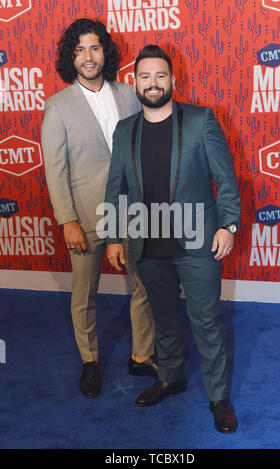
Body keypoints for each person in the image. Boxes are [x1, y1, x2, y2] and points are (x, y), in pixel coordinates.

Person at [105, 45, 241, 433]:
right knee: (164, 320)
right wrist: (115, 236)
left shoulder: (200, 120)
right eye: (145, 76)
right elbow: (115, 188)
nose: (152, 83)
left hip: (198, 243)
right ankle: (171, 378)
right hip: (148, 246)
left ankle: (218, 398)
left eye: (160, 75)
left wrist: (228, 226)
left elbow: (227, 180)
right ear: (134, 83)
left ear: (173, 81)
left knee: (207, 323)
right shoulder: (124, 130)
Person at [41, 19, 157, 398]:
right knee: (84, 293)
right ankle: (90, 361)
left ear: (105, 51)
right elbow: (55, 169)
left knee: (144, 286)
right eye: (79, 51)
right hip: (87, 216)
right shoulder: (58, 107)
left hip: (133, 210)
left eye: (94, 48)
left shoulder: (128, 93)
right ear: (70, 58)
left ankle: (142, 355)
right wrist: (67, 220)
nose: (88, 57)